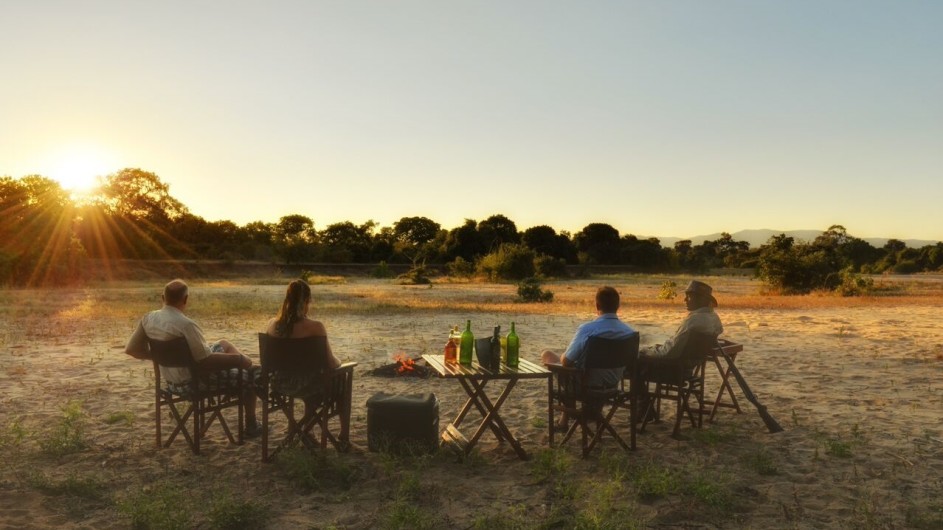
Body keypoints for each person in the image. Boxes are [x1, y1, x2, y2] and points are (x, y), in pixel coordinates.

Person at [126, 279, 261, 437]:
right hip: (194, 382)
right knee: (248, 377)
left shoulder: (148, 319)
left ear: (163, 298)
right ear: (185, 299)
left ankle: (249, 366)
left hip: (170, 381)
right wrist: (238, 360)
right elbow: (205, 362)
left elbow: (131, 349)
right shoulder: (186, 325)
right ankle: (251, 425)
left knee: (223, 344)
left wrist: (159, 355)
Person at [263, 279, 349, 448]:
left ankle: (300, 430)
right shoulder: (315, 327)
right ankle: (343, 435)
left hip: (280, 384)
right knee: (343, 379)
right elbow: (331, 363)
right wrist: (341, 363)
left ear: (286, 299)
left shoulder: (272, 325)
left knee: (307, 380)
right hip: (311, 385)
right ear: (308, 300)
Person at [541, 286, 637, 431]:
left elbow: (566, 361)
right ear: (618, 306)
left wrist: (563, 356)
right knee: (576, 370)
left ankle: (567, 416)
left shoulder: (588, 329)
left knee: (548, 356)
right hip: (614, 386)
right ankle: (586, 414)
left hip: (586, 387)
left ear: (597, 305)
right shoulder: (629, 333)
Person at [641, 280, 724, 359]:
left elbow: (670, 352)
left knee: (641, 353)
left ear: (701, 299)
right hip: (693, 360)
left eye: (689, 297)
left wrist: (647, 351)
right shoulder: (715, 318)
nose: (685, 300)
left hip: (674, 364)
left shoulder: (692, 321)